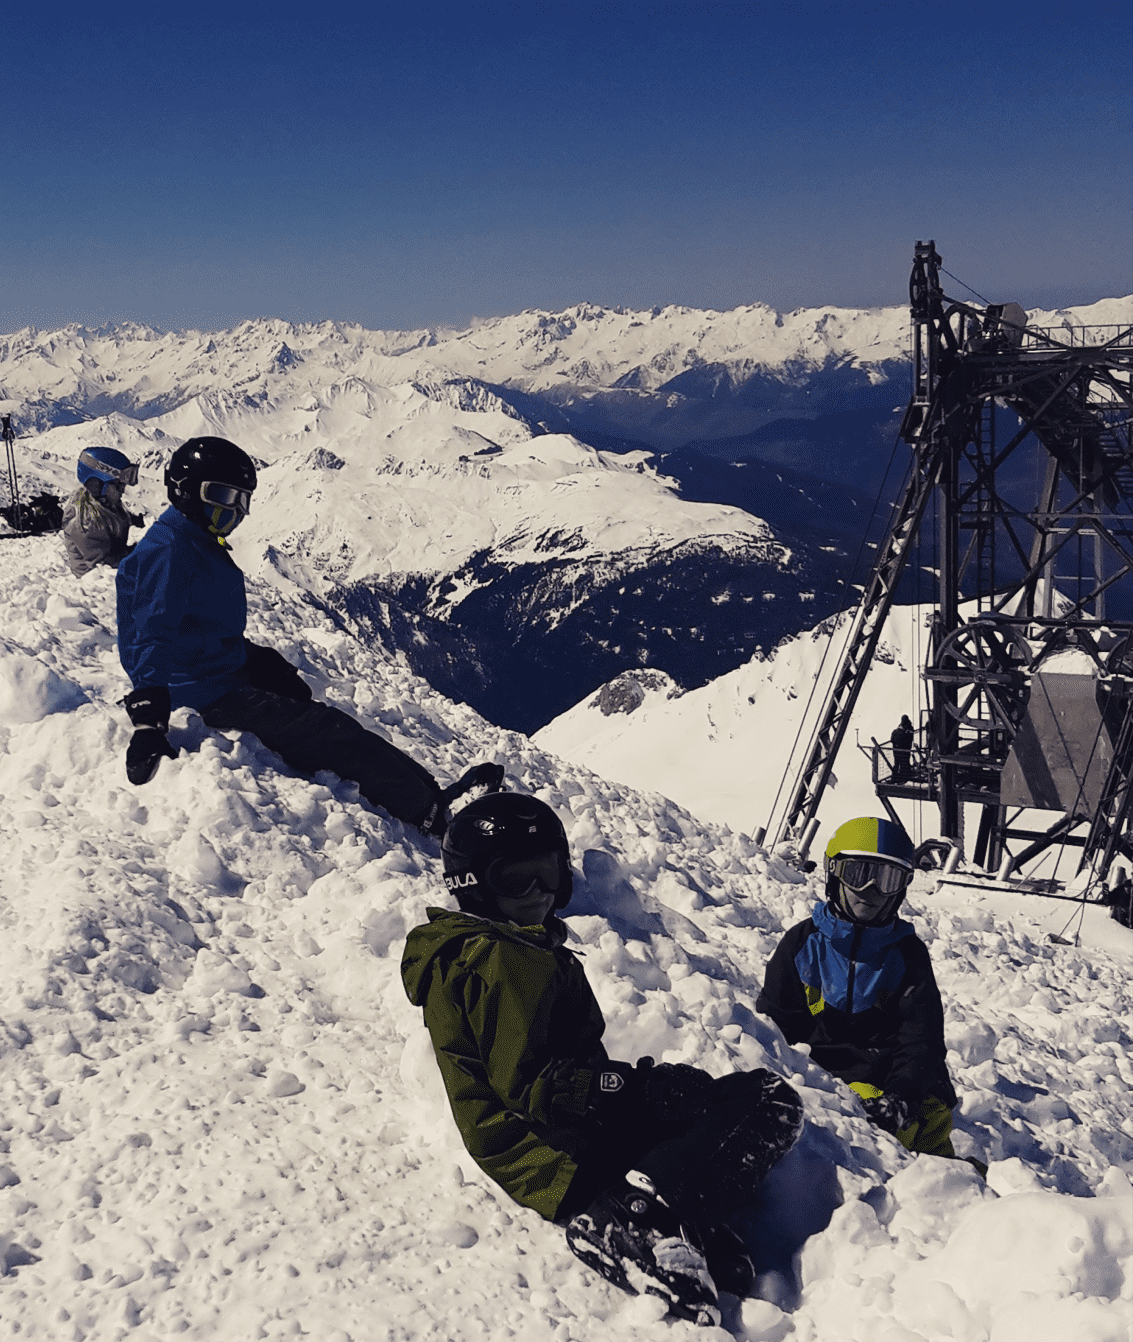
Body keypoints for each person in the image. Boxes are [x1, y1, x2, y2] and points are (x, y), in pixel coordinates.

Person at [401, 791, 804, 1326]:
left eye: (546, 872)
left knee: (715, 1103)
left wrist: (638, 1089)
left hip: (550, 1144)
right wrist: (634, 1089)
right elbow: (537, 1088)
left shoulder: (508, 947)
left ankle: (677, 1210)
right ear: (472, 883)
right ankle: (638, 1214)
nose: (537, 891)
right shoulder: (500, 959)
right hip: (553, 1156)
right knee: (763, 1101)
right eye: (515, 878)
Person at [116, 435, 498, 834]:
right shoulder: (169, 550)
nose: (236, 510)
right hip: (204, 694)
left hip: (215, 675)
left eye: (242, 499)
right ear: (185, 488)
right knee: (327, 731)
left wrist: (253, 658)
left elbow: (196, 623)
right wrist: (148, 719)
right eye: (223, 495)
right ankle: (433, 815)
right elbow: (149, 633)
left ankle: (431, 795)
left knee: (329, 722)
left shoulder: (193, 540)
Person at [757, 816, 959, 1160]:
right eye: (858, 874)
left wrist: (901, 1098)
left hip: (895, 1087)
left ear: (903, 887)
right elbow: (775, 1029)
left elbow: (921, 1040)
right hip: (823, 1084)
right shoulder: (802, 944)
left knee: (933, 1162)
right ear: (834, 874)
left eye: (887, 879)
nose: (871, 890)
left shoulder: (907, 955)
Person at [61, 447, 144, 576]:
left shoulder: (106, 506)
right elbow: (105, 566)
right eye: (118, 486)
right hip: (96, 582)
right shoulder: (85, 522)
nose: (122, 491)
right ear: (97, 484)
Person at [889, 714, 915, 782]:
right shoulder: (904, 734)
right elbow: (908, 741)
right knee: (904, 764)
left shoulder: (894, 732)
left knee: (897, 764)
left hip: (896, 751)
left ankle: (894, 777)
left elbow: (892, 740)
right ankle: (903, 776)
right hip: (904, 752)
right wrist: (910, 733)